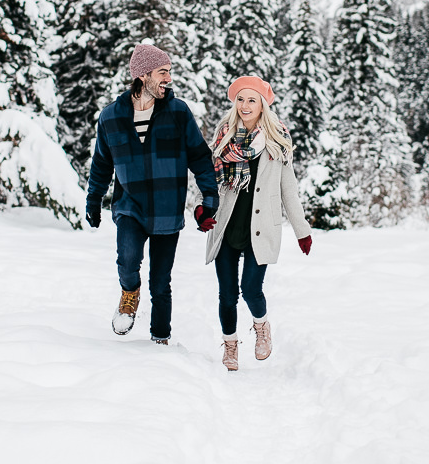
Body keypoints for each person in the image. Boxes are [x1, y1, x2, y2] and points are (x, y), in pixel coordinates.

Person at [86, 43, 219, 344]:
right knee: (127, 261)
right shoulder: (111, 117)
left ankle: (160, 339)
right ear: (143, 75)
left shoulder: (178, 112)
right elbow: (102, 164)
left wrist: (209, 199)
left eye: (169, 72)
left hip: (167, 210)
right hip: (129, 206)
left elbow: (200, 158)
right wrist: (94, 200)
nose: (169, 79)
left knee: (160, 283)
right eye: (163, 72)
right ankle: (129, 293)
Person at [206, 75, 312, 370]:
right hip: (227, 224)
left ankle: (261, 326)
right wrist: (204, 209)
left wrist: (302, 230)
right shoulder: (224, 136)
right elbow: (210, 181)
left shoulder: (277, 140)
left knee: (251, 289)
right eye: (240, 99)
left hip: (261, 227)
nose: (245, 105)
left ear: (262, 104)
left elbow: (288, 190)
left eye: (252, 100)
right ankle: (230, 345)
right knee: (227, 294)